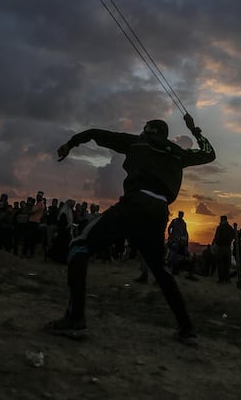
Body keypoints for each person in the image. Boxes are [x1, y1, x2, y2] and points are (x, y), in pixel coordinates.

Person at [46, 114, 215, 344]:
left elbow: (96, 133)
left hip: (136, 202)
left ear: (147, 131)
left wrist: (71, 143)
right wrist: (195, 130)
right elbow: (209, 153)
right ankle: (187, 330)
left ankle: (75, 319)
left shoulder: (136, 142)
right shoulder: (178, 153)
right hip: (159, 210)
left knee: (79, 247)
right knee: (159, 268)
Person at [213, 215, 236, 283]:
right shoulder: (228, 228)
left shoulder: (221, 228)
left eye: (222, 219)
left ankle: (223, 279)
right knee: (225, 264)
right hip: (225, 248)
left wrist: (216, 243)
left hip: (222, 248)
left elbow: (216, 237)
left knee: (222, 264)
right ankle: (226, 279)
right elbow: (233, 236)